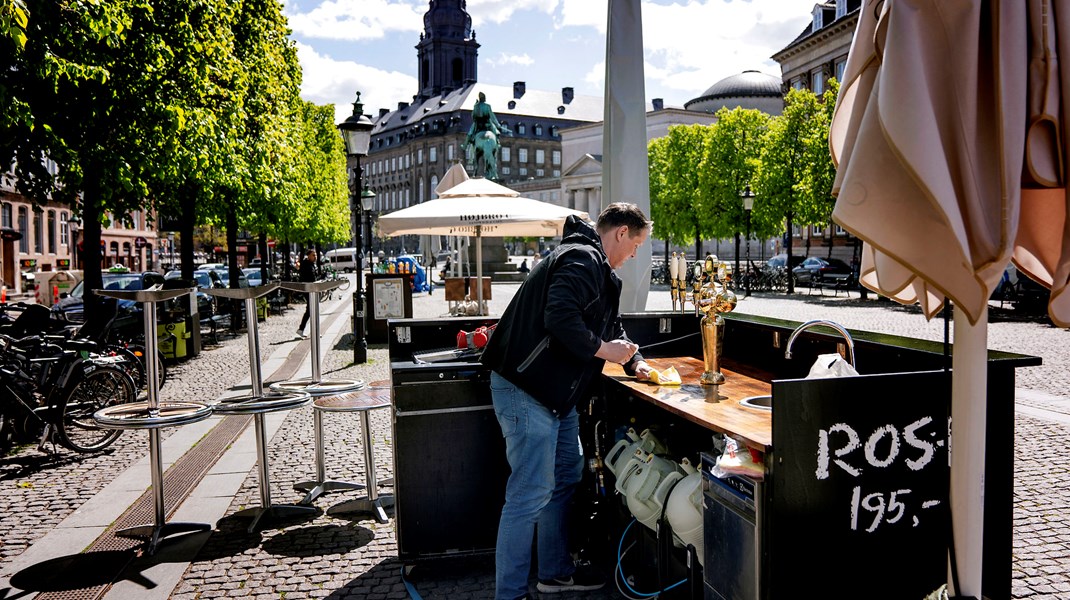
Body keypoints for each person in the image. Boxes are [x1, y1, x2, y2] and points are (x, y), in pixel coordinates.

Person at [480, 203, 654, 600]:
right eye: (637, 244)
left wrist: (635, 361)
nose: (635, 254)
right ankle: (510, 594)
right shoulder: (581, 257)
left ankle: (554, 573)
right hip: (528, 390)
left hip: (555, 397)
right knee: (529, 493)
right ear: (621, 233)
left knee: (564, 477)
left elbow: (612, 327)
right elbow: (560, 318)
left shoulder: (596, 267)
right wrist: (603, 350)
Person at [296, 249, 318, 338]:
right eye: (313, 255)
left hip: (311, 289)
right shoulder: (306, 265)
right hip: (309, 290)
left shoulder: (311, 264)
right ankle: (311, 331)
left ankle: (301, 329)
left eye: (315, 255)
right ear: (308, 256)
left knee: (310, 310)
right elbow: (310, 277)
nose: (315, 257)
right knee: (311, 310)